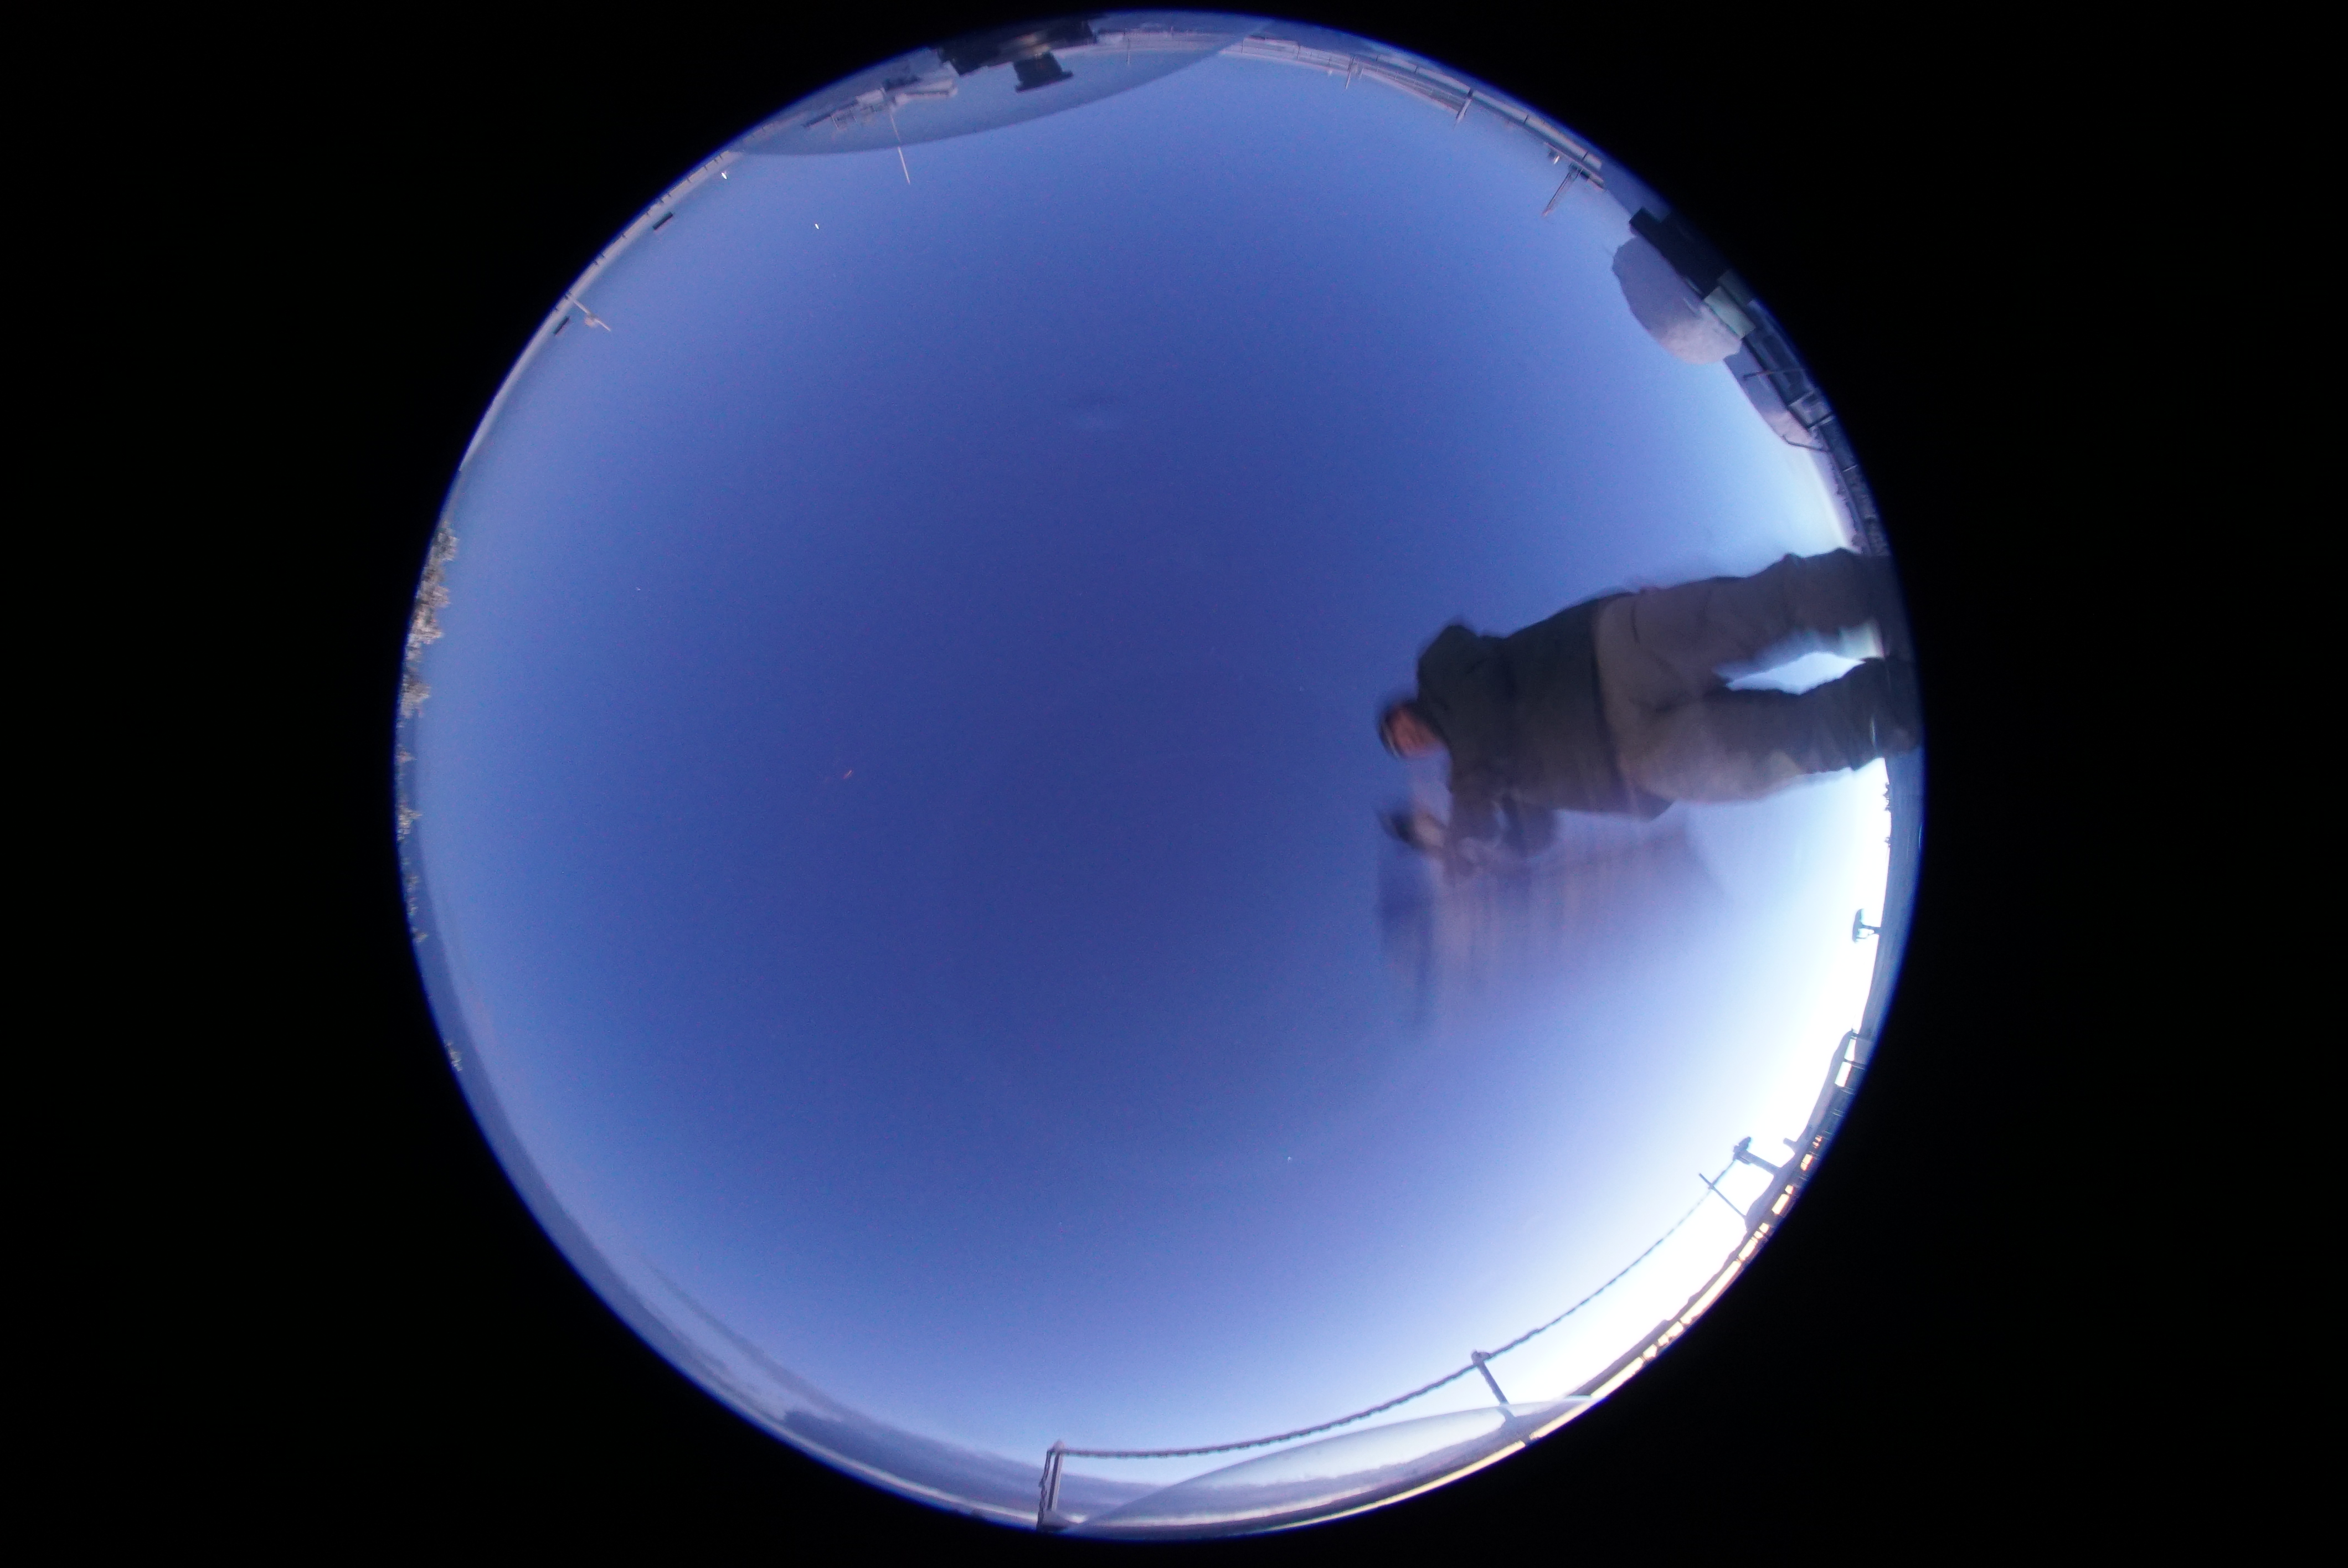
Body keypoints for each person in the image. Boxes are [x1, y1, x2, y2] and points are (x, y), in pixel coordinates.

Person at [1379, 550, 1918, 870]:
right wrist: (1452, 843)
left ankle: (1892, 595)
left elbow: (1481, 700)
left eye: (1399, 730)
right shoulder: (1482, 778)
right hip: (1639, 763)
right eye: (1403, 750)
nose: (1408, 743)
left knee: (1759, 612)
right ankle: (1903, 701)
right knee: (1797, 747)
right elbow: (1534, 837)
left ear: (1406, 708)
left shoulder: (1438, 668)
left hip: (1606, 657)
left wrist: (1468, 811)